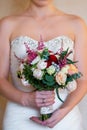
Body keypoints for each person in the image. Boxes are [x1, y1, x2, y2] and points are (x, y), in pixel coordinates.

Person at [0, 0, 87, 130]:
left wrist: (64, 109)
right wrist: (26, 99)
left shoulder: (76, 24)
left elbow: (83, 79)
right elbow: (0, 78)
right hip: (19, 115)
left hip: (64, 116)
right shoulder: (7, 24)